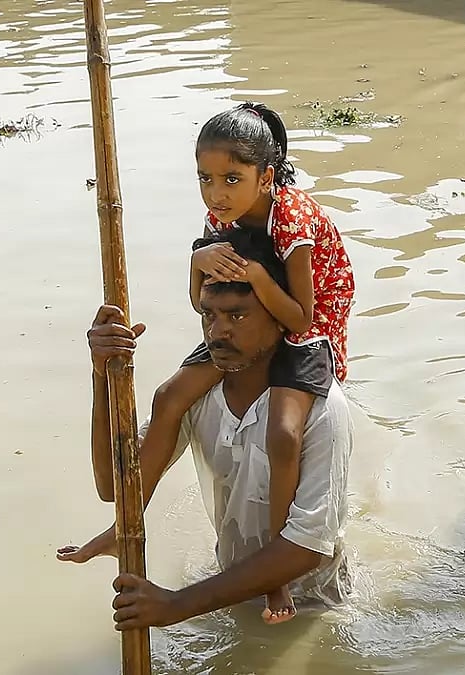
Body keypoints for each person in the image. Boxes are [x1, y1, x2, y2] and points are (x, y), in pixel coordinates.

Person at [57, 227, 352, 630]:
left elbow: (304, 549)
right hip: (227, 587)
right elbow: (116, 488)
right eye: (209, 315)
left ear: (279, 319)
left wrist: (176, 606)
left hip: (312, 608)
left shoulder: (321, 409)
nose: (217, 332)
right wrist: (102, 378)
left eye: (238, 316)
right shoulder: (194, 397)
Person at [148, 102, 355, 623]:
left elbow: (301, 315)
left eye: (231, 179)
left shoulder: (294, 217)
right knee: (169, 397)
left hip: (307, 331)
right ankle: (125, 523)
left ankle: (276, 576)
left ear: (266, 177)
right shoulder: (220, 217)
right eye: (205, 179)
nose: (216, 194)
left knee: (283, 435)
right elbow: (202, 301)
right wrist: (196, 260)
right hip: (246, 322)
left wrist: (261, 281)